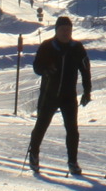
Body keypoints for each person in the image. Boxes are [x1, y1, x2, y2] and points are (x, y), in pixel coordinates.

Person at [27, 15, 93, 175]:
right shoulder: (47, 46)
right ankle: (34, 155)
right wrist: (45, 70)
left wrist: (87, 91)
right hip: (49, 94)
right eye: (63, 30)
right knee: (41, 126)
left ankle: (73, 162)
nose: (66, 33)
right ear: (56, 30)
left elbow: (85, 71)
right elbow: (36, 67)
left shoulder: (77, 48)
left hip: (68, 96)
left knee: (72, 130)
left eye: (68, 30)